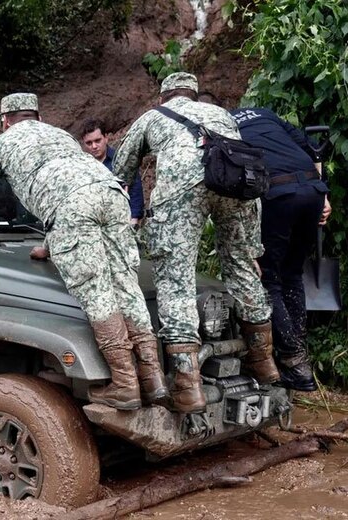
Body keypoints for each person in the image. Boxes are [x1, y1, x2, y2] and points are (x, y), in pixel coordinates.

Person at [0, 93, 167, 410]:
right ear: (38, 117)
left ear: (5, 121)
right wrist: (49, 247)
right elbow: (71, 188)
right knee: (125, 283)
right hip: (112, 193)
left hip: (73, 209)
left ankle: (125, 385)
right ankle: (153, 378)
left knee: (96, 291)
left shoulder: (2, 143)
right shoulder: (60, 136)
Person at [113, 72, 278, 413]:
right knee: (242, 267)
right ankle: (264, 361)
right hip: (236, 185)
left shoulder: (153, 117)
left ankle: (188, 387)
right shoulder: (221, 114)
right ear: (194, 93)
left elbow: (121, 169)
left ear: (164, 97)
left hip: (183, 190)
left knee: (176, 278)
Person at [231, 107, 331, 391]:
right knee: (293, 273)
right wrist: (323, 194)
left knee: (269, 277)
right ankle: (300, 356)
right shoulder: (264, 113)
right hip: (311, 188)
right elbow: (308, 147)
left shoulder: (222, 122)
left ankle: (293, 362)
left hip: (278, 194)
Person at [79, 118, 144, 226]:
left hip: (122, 222)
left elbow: (135, 189)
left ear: (106, 138)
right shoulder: (82, 166)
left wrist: (134, 218)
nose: (94, 146)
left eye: (97, 141)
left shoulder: (122, 161)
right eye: (89, 143)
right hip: (94, 224)